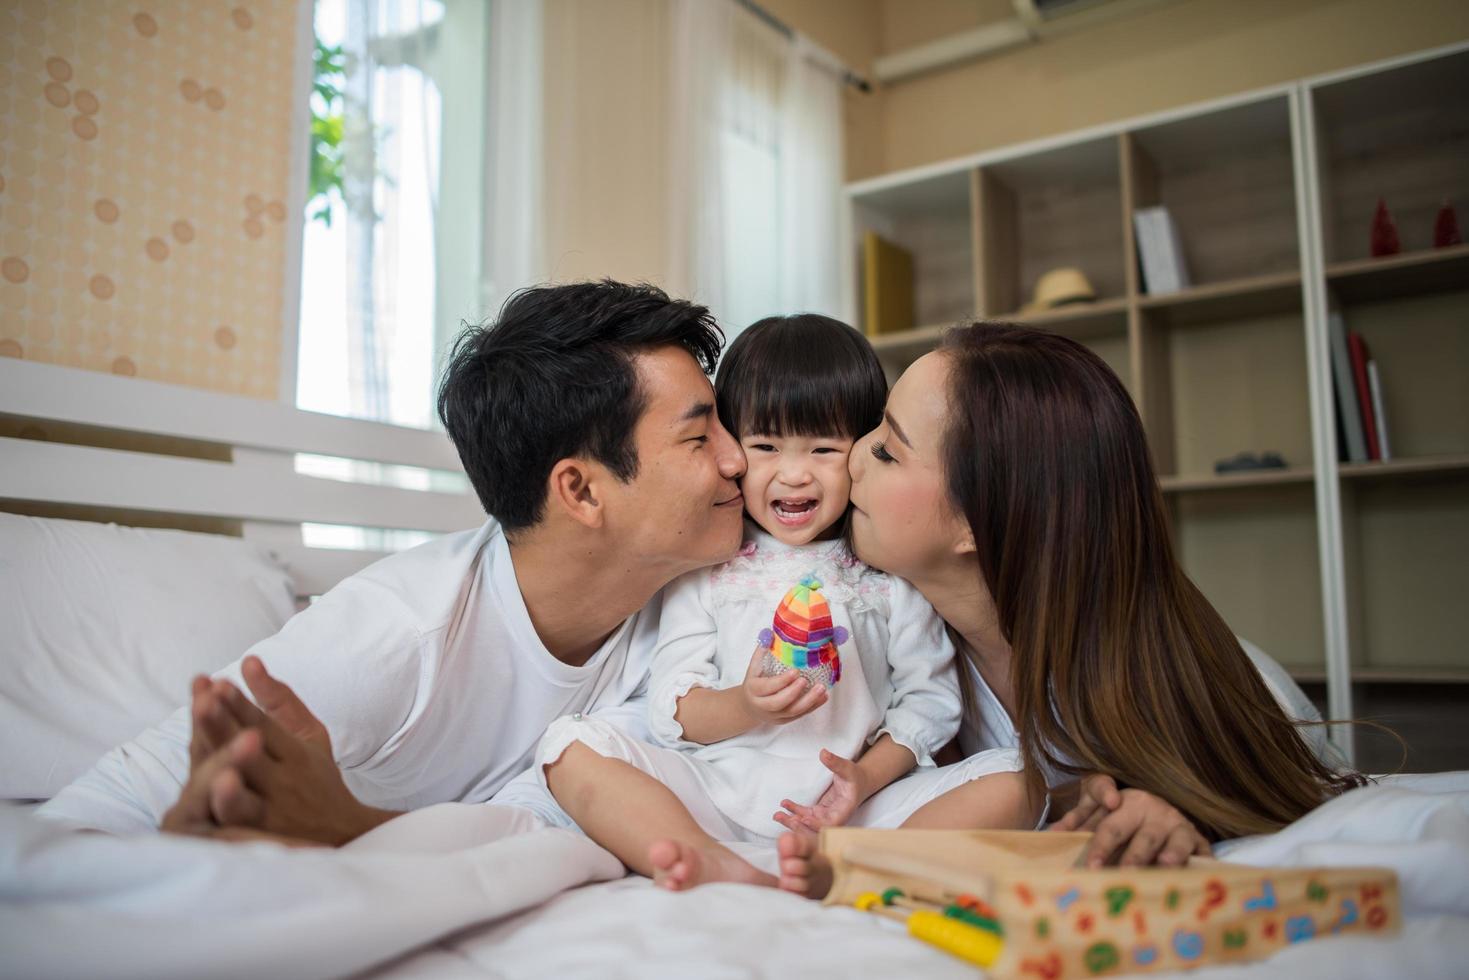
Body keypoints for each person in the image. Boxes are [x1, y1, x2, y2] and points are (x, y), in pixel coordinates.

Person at [38, 280, 750, 845]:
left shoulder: (698, 605)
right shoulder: (392, 635)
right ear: (580, 490)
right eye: (698, 438)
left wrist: (356, 832)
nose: (737, 458)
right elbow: (80, 827)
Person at [775, 322, 1363, 895]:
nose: (850, 458)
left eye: (887, 450)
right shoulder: (898, 645)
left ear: (976, 519)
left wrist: (1176, 814)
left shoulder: (1177, 688)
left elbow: (1288, 804)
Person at [538, 315, 1039, 891]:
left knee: (1020, 775)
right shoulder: (711, 569)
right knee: (568, 745)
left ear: (862, 452)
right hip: (719, 796)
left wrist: (862, 780)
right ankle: (701, 854)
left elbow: (930, 702)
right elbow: (671, 711)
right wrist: (747, 706)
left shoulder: (886, 577)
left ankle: (855, 867)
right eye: (765, 446)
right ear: (732, 446)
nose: (794, 474)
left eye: (824, 447)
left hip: (848, 816)